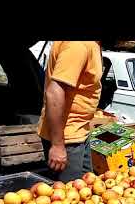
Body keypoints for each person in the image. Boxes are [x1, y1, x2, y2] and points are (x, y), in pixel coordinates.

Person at [37, 41, 102, 183]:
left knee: (86, 190)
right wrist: (58, 145)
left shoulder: (91, 44)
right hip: (67, 138)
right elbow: (54, 92)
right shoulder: (78, 45)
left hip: (78, 133)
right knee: (68, 197)